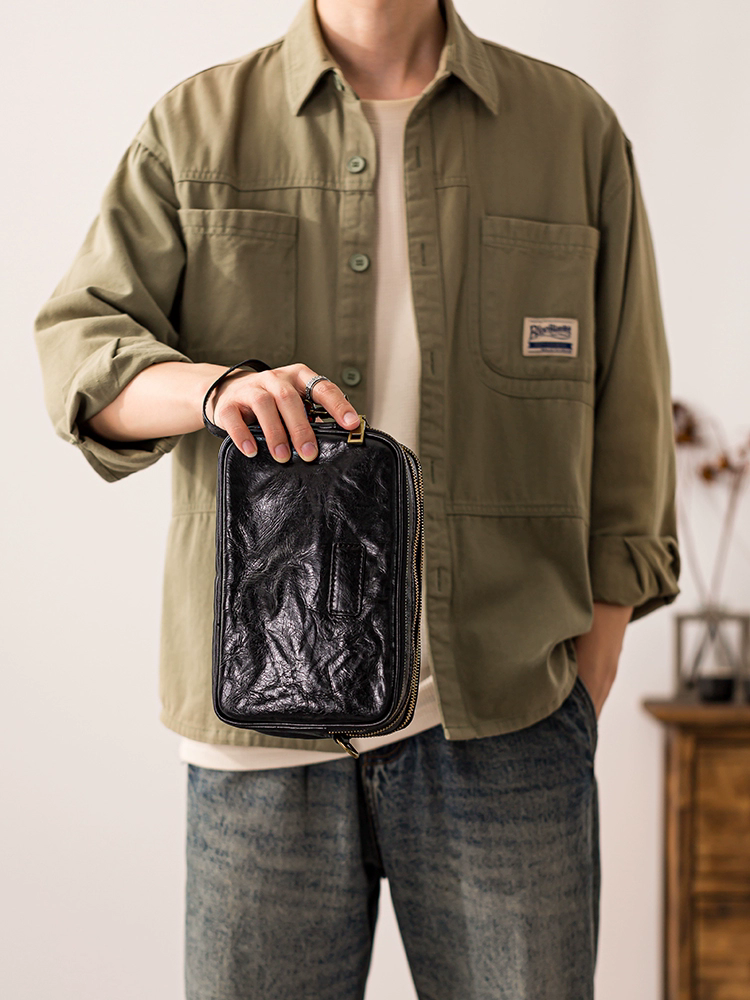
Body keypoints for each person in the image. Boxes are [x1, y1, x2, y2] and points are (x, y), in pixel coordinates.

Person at [33, 0, 681, 996]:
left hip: (508, 719)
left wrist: (586, 676)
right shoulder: (195, 127)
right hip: (259, 731)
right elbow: (81, 354)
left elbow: (630, 410)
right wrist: (212, 388)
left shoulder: (569, 129)